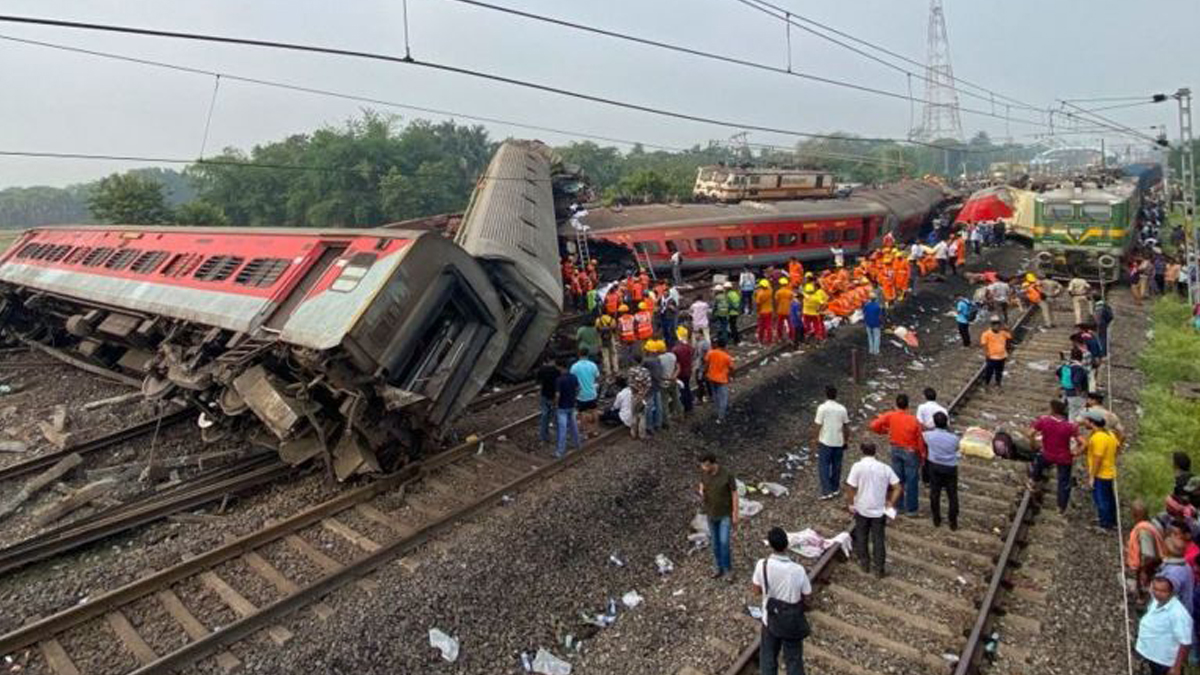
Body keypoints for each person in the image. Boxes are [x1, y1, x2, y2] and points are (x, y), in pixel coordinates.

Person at [752, 527, 812, 675]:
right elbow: (808, 596)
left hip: (770, 619)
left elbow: (756, 590)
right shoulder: (798, 570)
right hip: (792, 621)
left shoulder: (762, 565)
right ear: (786, 545)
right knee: (794, 660)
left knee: (768, 659)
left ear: (771, 546)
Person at [845, 442, 901, 577]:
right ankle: (879, 569)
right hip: (879, 510)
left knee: (862, 536)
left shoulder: (857, 467)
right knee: (878, 539)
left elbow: (851, 487)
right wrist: (890, 503)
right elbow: (898, 487)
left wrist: (851, 503)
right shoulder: (885, 468)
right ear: (875, 451)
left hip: (862, 508)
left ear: (861, 451)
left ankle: (864, 563)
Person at [868, 394, 925, 517]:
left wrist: (883, 431)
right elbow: (920, 440)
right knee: (912, 480)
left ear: (896, 404)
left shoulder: (890, 415)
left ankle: (899, 506)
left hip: (895, 449)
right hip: (910, 451)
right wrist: (922, 456)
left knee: (897, 479)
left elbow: (873, 425)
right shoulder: (913, 420)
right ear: (908, 405)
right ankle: (912, 509)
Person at [1029, 399, 1079, 514]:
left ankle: (1033, 481)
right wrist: (1077, 452)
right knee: (1063, 481)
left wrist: (1033, 444)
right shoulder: (1070, 426)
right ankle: (1061, 507)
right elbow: (1083, 442)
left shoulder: (1044, 421)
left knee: (1038, 461)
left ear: (1052, 410)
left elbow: (1030, 433)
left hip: (1048, 454)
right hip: (1064, 458)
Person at [1135, 576, 1193, 675]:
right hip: (1148, 654)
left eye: (1162, 591)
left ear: (1171, 592)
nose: (1157, 593)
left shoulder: (1178, 614)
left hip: (1163, 662)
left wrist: (1176, 668)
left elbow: (1185, 642)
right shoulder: (1156, 601)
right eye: (1155, 589)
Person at [699, 452, 738, 580]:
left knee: (724, 541)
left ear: (712, 463)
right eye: (702, 466)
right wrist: (701, 491)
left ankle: (728, 570)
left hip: (725, 514)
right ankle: (718, 567)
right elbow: (702, 484)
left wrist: (735, 514)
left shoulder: (727, 474)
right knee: (715, 543)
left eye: (706, 466)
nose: (704, 468)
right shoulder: (704, 473)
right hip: (711, 513)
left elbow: (734, 494)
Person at [923, 412, 960, 530]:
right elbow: (957, 449)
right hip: (950, 468)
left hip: (935, 467)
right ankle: (953, 522)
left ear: (934, 423)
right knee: (952, 495)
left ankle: (936, 519)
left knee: (935, 493)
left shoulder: (928, 435)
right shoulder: (954, 438)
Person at [1083, 411, 1118, 530]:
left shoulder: (1098, 438)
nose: (1084, 422)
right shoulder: (1110, 434)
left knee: (1101, 499)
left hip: (1101, 474)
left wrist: (1092, 476)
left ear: (1092, 422)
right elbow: (1118, 447)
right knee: (1109, 498)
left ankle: (1105, 525)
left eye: (1086, 420)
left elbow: (1098, 459)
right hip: (1109, 471)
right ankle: (1111, 521)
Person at [813, 386, 850, 501]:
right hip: (838, 441)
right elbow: (846, 426)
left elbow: (818, 425)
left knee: (823, 466)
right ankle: (835, 488)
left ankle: (826, 490)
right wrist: (846, 440)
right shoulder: (842, 409)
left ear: (826, 394)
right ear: (836, 395)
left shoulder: (822, 408)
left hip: (825, 441)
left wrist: (815, 438)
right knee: (836, 466)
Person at [1127, 499, 1166, 603]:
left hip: (1149, 566)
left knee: (1146, 585)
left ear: (1136, 515)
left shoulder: (1144, 531)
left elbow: (1149, 556)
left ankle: (1142, 600)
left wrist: (1144, 570)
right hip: (1158, 561)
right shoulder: (1153, 523)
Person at [554, 359, 582, 459]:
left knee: (562, 429)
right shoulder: (574, 377)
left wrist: (556, 405)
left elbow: (558, 395)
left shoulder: (559, 380)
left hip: (562, 407)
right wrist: (574, 398)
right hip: (571, 405)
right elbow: (578, 389)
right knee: (574, 426)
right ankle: (577, 444)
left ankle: (560, 451)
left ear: (561, 367)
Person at [570, 348, 601, 435]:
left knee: (582, 413)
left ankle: (586, 432)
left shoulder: (574, 367)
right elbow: (598, 378)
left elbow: (572, 381)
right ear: (588, 354)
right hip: (592, 393)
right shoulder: (593, 365)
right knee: (594, 410)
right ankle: (596, 430)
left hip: (581, 395)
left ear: (579, 354)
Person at [705, 338, 734, 423]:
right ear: (725, 346)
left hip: (711, 378)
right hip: (721, 380)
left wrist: (705, 374)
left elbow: (706, 364)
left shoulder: (711, 353)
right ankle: (721, 417)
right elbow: (732, 368)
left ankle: (717, 411)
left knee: (715, 396)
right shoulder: (727, 357)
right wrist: (730, 376)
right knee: (723, 398)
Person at [1056, 349, 1089, 421]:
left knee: (1071, 411)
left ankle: (1068, 426)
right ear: (1081, 357)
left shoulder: (1067, 364)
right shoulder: (1078, 368)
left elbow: (1058, 372)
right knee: (1078, 412)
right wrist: (1079, 391)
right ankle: (1072, 428)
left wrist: (1063, 381)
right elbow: (1076, 381)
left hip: (1067, 391)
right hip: (1076, 394)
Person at [979, 317, 1012, 388]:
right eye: (995, 325)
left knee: (999, 371)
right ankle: (986, 383)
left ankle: (998, 383)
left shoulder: (1003, 333)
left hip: (1002, 356)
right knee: (989, 371)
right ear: (992, 326)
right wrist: (986, 353)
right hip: (992, 357)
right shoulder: (986, 334)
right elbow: (984, 344)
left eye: (998, 325)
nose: (997, 327)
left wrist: (1008, 330)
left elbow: (1010, 338)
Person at [672, 327, 695, 414]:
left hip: (680, 372)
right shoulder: (689, 347)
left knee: (682, 390)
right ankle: (690, 405)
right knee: (687, 387)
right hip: (688, 371)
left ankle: (686, 407)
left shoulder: (676, 349)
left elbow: (676, 363)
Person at [628, 354, 651, 439]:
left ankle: (633, 433)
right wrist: (642, 393)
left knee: (634, 414)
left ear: (634, 361)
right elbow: (648, 384)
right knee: (642, 416)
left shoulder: (631, 371)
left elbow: (631, 384)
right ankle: (642, 434)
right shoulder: (646, 371)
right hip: (644, 396)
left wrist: (637, 393)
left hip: (634, 395)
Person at [536, 359, 559, 443]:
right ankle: (557, 437)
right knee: (555, 416)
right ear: (553, 361)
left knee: (544, 415)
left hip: (544, 395)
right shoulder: (557, 371)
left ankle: (543, 436)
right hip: (553, 396)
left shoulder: (541, 370)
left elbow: (538, 383)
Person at [774, 277, 795, 344]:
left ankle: (779, 337)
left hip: (780, 310)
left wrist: (776, 310)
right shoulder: (790, 292)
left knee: (779, 325)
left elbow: (776, 302)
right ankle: (791, 337)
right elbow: (793, 301)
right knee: (790, 325)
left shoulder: (778, 292)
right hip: (789, 310)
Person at [754, 279, 774, 345]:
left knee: (761, 327)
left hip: (762, 312)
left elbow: (758, 304)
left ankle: (761, 339)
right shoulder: (770, 291)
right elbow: (769, 286)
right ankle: (769, 340)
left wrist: (758, 312)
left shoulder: (760, 294)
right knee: (769, 327)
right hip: (769, 311)